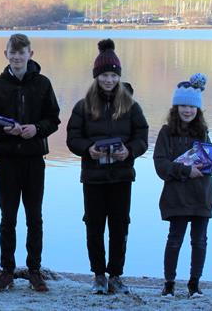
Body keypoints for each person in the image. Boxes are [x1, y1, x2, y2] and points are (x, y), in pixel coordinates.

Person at [66, 39, 148, 295]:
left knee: (120, 225)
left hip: (122, 176)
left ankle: (116, 275)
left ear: (119, 76)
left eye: (113, 75)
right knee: (94, 225)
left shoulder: (131, 105)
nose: (109, 80)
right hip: (93, 176)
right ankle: (98, 275)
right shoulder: (83, 106)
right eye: (104, 75)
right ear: (96, 77)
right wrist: (87, 150)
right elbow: (72, 137)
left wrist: (130, 151)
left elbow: (143, 136)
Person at [0, 33, 60, 292]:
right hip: (7, 160)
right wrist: (7, 131)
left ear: (30, 54)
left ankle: (34, 269)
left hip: (35, 158)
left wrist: (36, 129)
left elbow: (54, 118)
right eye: (12, 53)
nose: (16, 57)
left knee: (34, 217)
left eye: (21, 52)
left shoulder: (43, 83)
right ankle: (7, 270)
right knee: (8, 217)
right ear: (6, 55)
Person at [153, 74, 212, 298]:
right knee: (174, 240)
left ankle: (194, 285)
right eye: (183, 105)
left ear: (198, 110)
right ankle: (169, 285)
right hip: (176, 197)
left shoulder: (203, 132)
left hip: (202, 195)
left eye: (192, 106)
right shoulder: (166, 132)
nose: (187, 110)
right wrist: (185, 171)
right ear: (176, 108)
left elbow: (208, 168)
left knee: (200, 242)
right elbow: (160, 166)